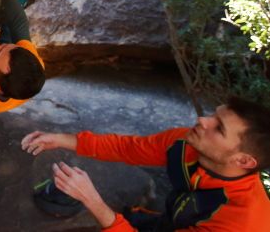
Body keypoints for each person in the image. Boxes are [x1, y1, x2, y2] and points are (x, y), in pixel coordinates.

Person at [21, 97, 270, 231]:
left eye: (219, 128)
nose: (203, 120)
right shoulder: (187, 143)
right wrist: (63, 140)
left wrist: (93, 201)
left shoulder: (243, 222)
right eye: (213, 115)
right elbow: (130, 148)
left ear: (244, 161)